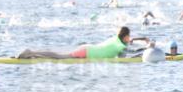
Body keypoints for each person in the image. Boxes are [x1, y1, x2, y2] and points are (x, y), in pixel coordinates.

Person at [16, 26, 149, 60]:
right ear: (125, 36)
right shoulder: (119, 45)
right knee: (58, 56)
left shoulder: (116, 39)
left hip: (87, 49)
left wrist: (142, 39)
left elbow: (129, 44)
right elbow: (130, 52)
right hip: (86, 52)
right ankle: (31, 52)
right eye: (129, 36)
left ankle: (32, 54)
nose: (130, 38)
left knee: (58, 55)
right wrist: (146, 50)